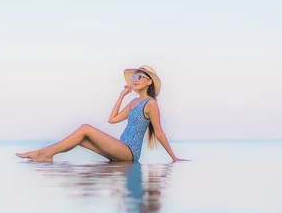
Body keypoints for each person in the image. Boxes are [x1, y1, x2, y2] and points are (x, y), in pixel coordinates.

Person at [16, 65, 188, 163]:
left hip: (129, 152)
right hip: (120, 148)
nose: (135, 79)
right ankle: (43, 154)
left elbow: (159, 133)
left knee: (85, 128)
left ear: (149, 81)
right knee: (82, 139)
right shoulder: (133, 102)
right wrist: (121, 95)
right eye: (134, 76)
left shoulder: (151, 104)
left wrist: (174, 158)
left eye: (140, 77)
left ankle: (44, 154)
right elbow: (112, 119)